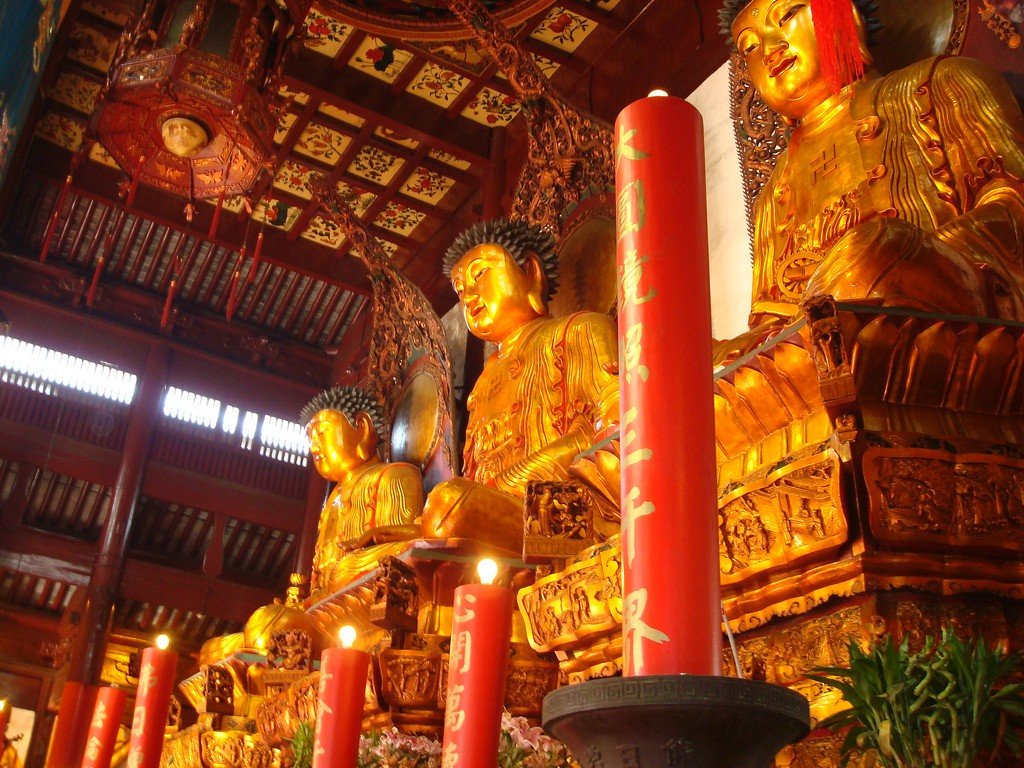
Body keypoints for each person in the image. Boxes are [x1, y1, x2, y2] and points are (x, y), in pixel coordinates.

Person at [719, 0, 1024, 357]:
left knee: (869, 255)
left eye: (786, 15)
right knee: (707, 366)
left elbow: (1012, 203)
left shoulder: (942, 82)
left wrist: (903, 254)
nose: (770, 50)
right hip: (818, 350)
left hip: (940, 321)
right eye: (750, 47)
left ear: (845, 17)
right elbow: (770, 320)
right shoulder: (773, 195)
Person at [421, 219, 620, 553]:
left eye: (480, 274)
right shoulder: (481, 385)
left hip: (563, 511)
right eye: (460, 289)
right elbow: (474, 478)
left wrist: (504, 484)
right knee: (425, 523)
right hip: (499, 514)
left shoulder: (581, 330)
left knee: (448, 507)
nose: (469, 296)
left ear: (531, 272)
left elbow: (603, 434)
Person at [300, 386, 424, 592]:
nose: (314, 447)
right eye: (311, 438)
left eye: (321, 432)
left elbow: (405, 551)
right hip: (330, 597)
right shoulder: (331, 500)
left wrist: (376, 536)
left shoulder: (392, 475)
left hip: (364, 588)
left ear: (362, 428)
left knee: (343, 572)